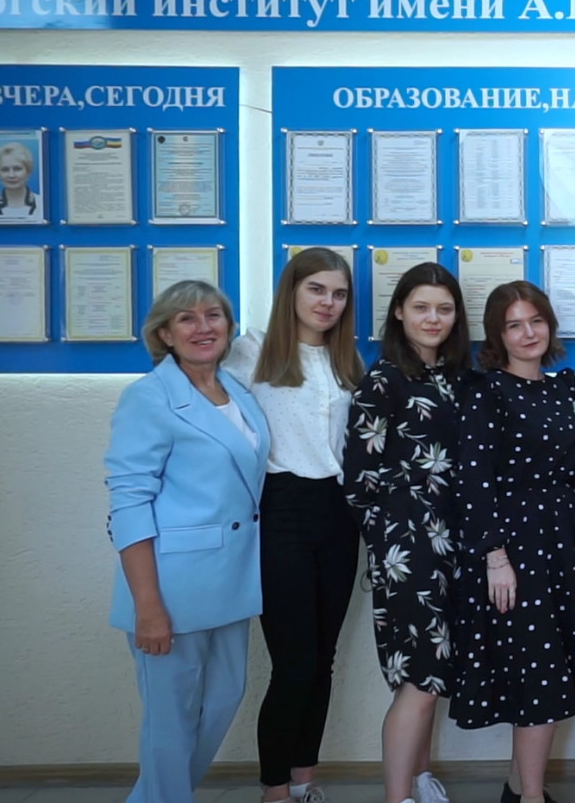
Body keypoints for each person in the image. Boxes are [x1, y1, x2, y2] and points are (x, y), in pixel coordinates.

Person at [107, 281, 270, 803]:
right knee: (170, 720)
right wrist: (147, 606)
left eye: (213, 315)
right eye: (187, 319)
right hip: (172, 586)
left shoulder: (236, 390)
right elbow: (129, 505)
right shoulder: (148, 397)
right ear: (164, 334)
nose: (204, 327)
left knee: (223, 700)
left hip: (231, 580)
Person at [453, 281, 575, 803]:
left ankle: (518, 788)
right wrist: (495, 557)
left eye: (536, 321)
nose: (528, 333)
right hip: (517, 550)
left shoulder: (559, 388)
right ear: (497, 335)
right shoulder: (486, 392)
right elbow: (473, 481)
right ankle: (530, 797)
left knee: (549, 675)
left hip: (563, 544)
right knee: (539, 680)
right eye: (514, 325)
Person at [223, 247, 365, 803]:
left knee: (322, 659)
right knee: (294, 663)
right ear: (292, 291)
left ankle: (305, 781)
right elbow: (215, 423)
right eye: (317, 290)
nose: (328, 303)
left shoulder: (347, 361)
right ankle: (275, 789)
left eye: (339, 294)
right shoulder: (252, 351)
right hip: (281, 509)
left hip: (338, 513)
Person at [342, 262, 472, 803]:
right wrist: (393, 542)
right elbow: (359, 481)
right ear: (399, 311)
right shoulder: (383, 380)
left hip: (456, 542)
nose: (432, 318)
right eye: (421, 307)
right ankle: (397, 796)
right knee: (420, 674)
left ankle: (419, 777)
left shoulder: (460, 378)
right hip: (408, 546)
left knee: (432, 670)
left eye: (444, 308)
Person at [0, 140, 41, 218]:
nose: (11, 175)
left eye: (17, 169)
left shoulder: (42, 203)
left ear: (28, 171)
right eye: (5, 169)